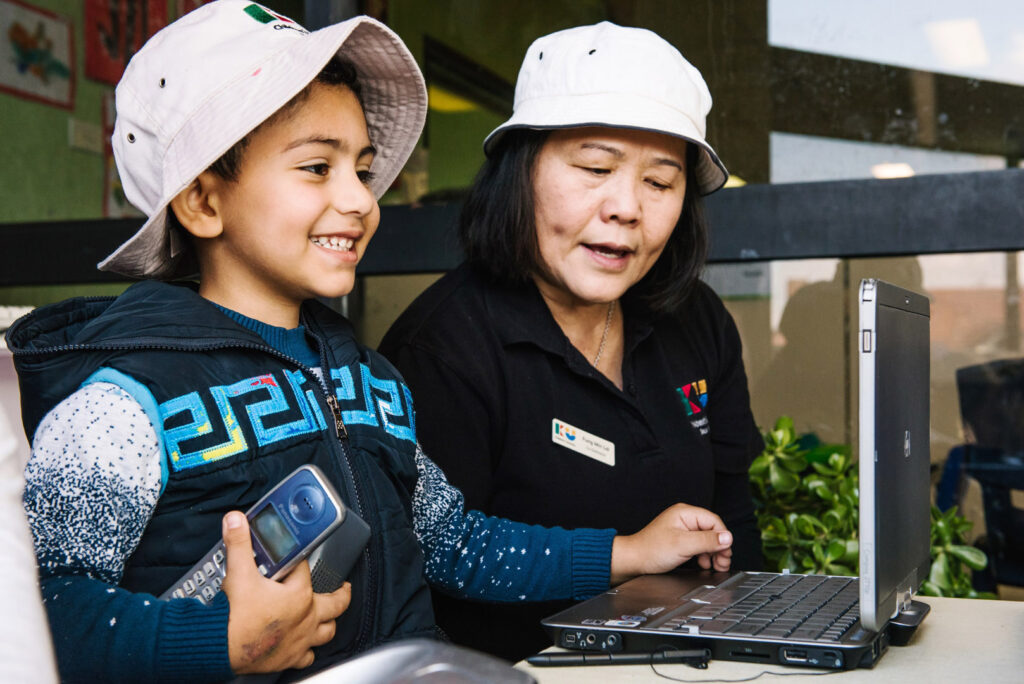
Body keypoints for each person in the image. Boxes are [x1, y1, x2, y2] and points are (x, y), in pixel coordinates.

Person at [6, 4, 735, 682]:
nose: (359, 198)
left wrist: (627, 553)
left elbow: (457, 546)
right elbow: (38, 606)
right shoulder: (122, 402)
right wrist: (222, 642)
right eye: (317, 167)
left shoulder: (369, 380)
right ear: (202, 200)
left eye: (361, 166)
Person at [379, 21, 764, 660]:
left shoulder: (697, 319)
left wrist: (756, 646)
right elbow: (435, 558)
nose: (626, 207)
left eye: (660, 182)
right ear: (519, 173)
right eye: (594, 167)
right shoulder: (441, 349)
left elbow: (735, 519)